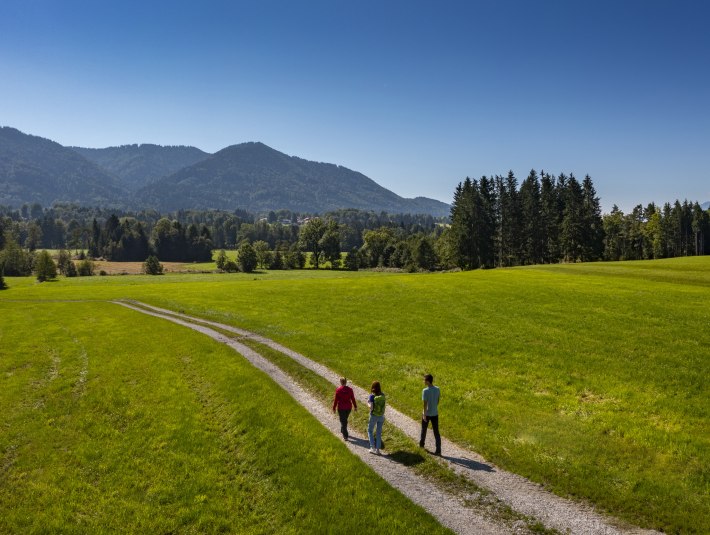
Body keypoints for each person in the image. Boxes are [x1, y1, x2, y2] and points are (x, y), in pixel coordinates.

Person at [420, 373, 441, 455]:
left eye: (424, 379)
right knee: (436, 432)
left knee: (424, 430)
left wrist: (424, 414)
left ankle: (421, 446)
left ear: (428, 381)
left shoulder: (425, 391)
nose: (423, 381)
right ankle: (438, 450)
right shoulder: (437, 389)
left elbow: (425, 404)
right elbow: (438, 401)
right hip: (435, 413)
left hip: (427, 414)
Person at [367, 381, 386, 455]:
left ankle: (372, 447)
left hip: (374, 416)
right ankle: (378, 450)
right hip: (381, 416)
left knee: (370, 430)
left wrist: (368, 403)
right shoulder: (383, 395)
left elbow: (371, 408)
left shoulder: (372, 396)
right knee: (379, 433)